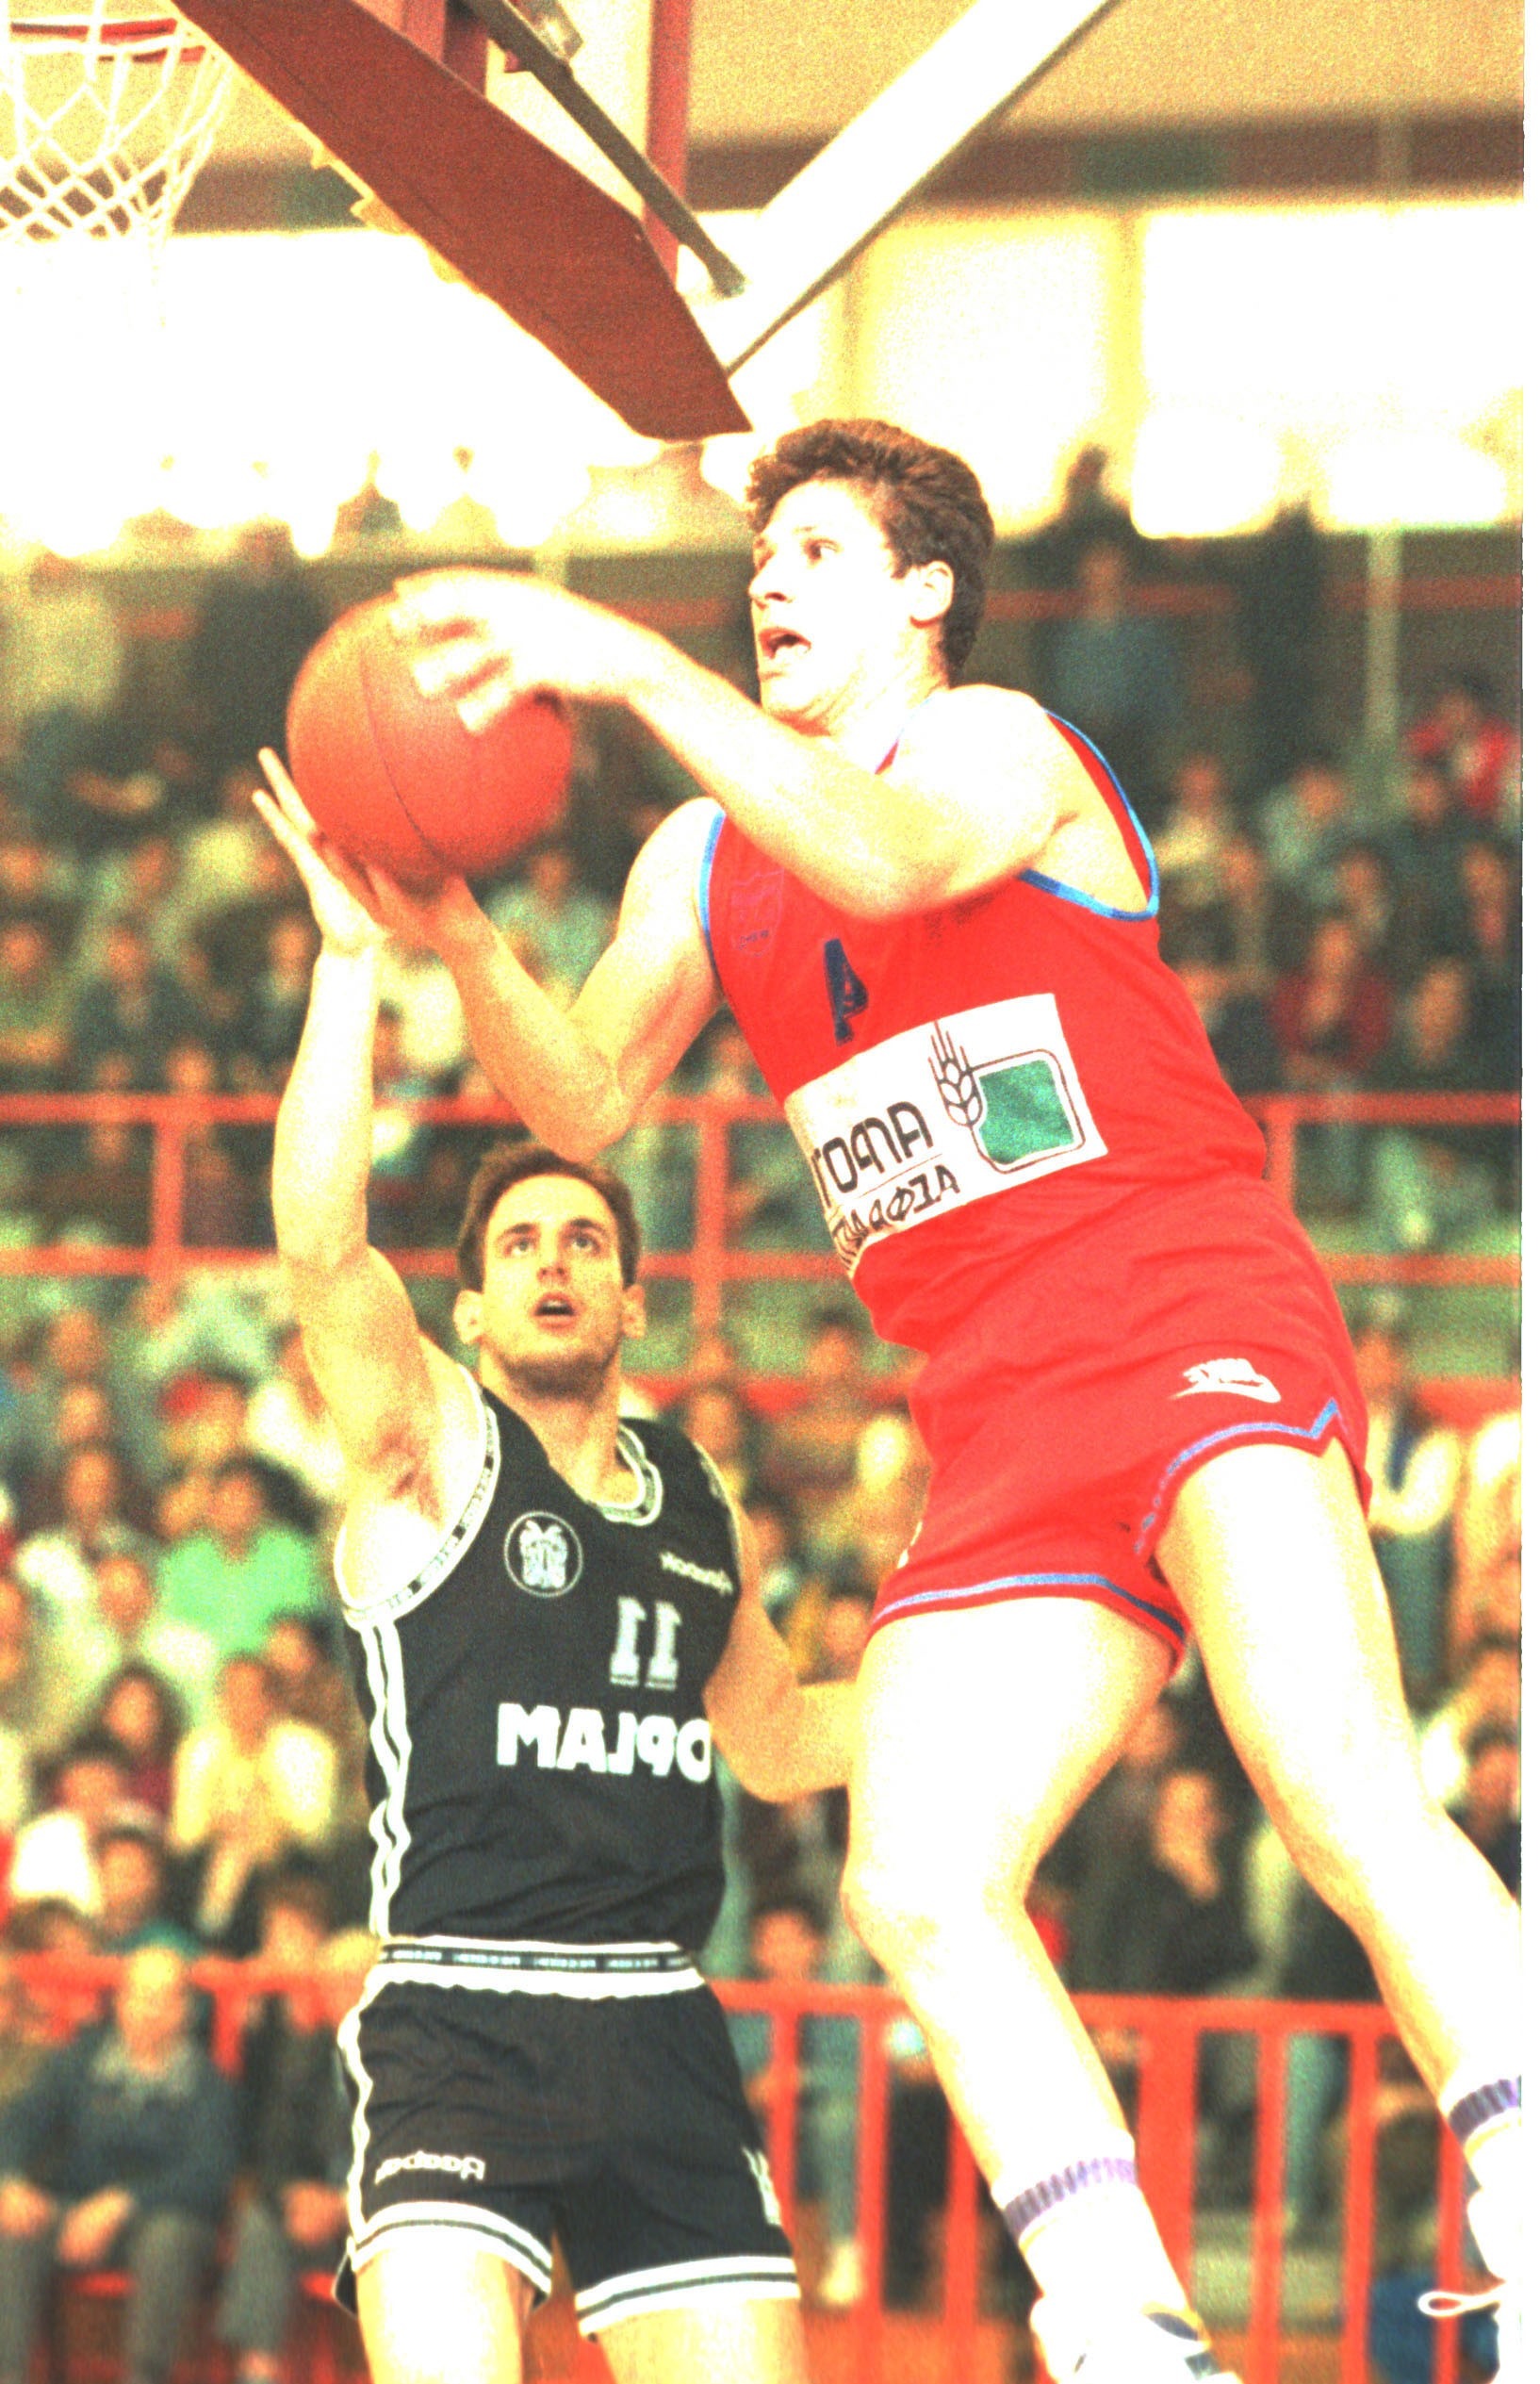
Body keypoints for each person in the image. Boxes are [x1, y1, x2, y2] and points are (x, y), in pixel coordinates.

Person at [280, 417, 1519, 2382]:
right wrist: (443, 931)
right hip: (993, 1404)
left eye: (818, 553)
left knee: (1332, 1781)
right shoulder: (700, 855)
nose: (768, 581)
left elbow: (884, 855)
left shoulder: (995, 746)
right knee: (917, 1876)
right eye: (757, 558)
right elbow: (580, 1101)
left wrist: (621, 664)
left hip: (1182, 1303)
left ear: (926, 589)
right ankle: (1124, 2334)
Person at [249, 763, 857, 2384]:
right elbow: (321, 1247)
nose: (552, 1261)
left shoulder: (697, 1495)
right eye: (517, 1244)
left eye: (583, 1240)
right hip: (461, 2014)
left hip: (660, 2020)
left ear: (632, 1302)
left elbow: (782, 1740)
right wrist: (350, 965)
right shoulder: (428, 1450)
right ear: (468, 1313)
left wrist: (1004, 1659)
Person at [0, 1943, 238, 2384]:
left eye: (164, 1998)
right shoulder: (76, 2063)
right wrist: (9, 2182)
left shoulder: (210, 2087)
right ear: (120, 2002)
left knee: (167, 2239)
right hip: (73, 2213)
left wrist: (122, 2203)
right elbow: (17, 2123)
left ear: (185, 2010)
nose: (150, 2010)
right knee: (12, 2225)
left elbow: (208, 2176)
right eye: (140, 1995)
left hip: (164, 2221)